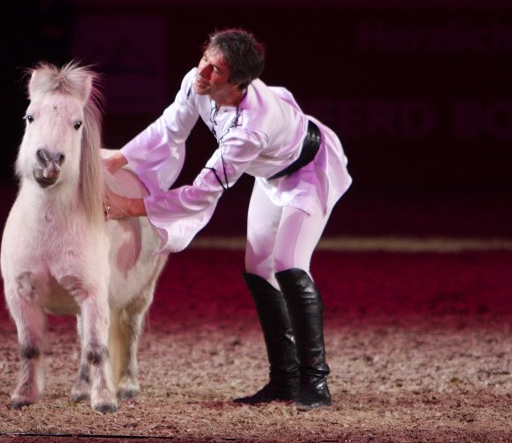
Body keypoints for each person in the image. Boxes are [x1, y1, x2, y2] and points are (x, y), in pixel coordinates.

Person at [102, 29, 352, 410]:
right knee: (256, 268)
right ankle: (283, 379)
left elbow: (203, 193)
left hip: (308, 171)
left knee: (287, 265)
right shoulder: (197, 82)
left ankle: (315, 382)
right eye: (204, 58)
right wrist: (119, 158)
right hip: (270, 174)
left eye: (215, 69)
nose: (202, 70)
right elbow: (170, 126)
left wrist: (130, 207)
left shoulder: (249, 130)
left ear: (237, 82)